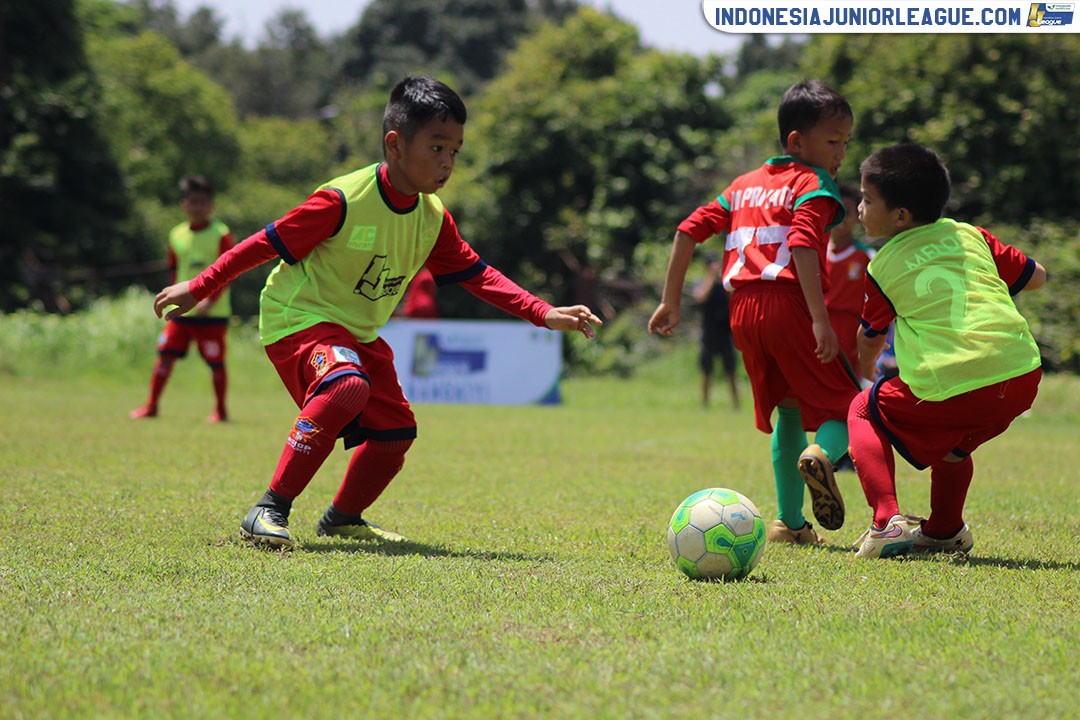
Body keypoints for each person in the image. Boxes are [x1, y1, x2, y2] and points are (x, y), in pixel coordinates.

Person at [152, 76, 602, 551]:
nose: (448, 162)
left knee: (394, 434)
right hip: (297, 317)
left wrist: (544, 312)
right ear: (395, 145)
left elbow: (478, 274)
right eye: (436, 147)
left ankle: (343, 517)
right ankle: (268, 509)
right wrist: (198, 287)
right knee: (346, 384)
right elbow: (264, 244)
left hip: (356, 331)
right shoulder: (342, 199)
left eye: (456, 150)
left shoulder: (432, 217)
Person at [649, 80, 858, 545]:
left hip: (742, 310)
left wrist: (670, 300)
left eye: (846, 142)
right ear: (796, 142)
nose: (841, 152)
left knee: (787, 411)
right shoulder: (814, 183)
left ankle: (791, 524)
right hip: (790, 305)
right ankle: (823, 455)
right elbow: (803, 242)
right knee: (848, 408)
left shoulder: (743, 186)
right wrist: (820, 319)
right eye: (832, 141)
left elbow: (687, 230)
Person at [848, 144, 1045, 559]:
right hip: (1023, 372)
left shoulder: (882, 265)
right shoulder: (969, 234)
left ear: (900, 216)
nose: (860, 209)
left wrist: (866, 371)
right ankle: (943, 531)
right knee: (954, 447)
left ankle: (886, 522)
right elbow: (1036, 276)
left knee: (863, 409)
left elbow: (871, 336)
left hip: (955, 380)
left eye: (867, 200)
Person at [131, 175, 234, 423]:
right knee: (165, 354)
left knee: (215, 362)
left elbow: (229, 271)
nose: (197, 207)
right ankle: (152, 405)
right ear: (184, 204)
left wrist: (210, 301)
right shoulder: (176, 234)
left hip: (212, 314)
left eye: (203, 202)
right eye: (192, 201)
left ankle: (220, 410)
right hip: (182, 313)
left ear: (211, 206)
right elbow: (175, 270)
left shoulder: (221, 234)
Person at [824, 184, 874, 385]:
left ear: (857, 216)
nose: (841, 219)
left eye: (847, 212)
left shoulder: (867, 257)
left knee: (849, 387)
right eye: (836, 212)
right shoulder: (812, 254)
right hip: (819, 328)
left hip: (852, 333)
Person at [692, 254, 739, 409]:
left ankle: (736, 404)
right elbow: (700, 297)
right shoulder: (702, 282)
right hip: (708, 335)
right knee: (707, 372)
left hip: (725, 334)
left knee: (731, 371)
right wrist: (711, 276)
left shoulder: (724, 286)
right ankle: (704, 404)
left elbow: (734, 300)